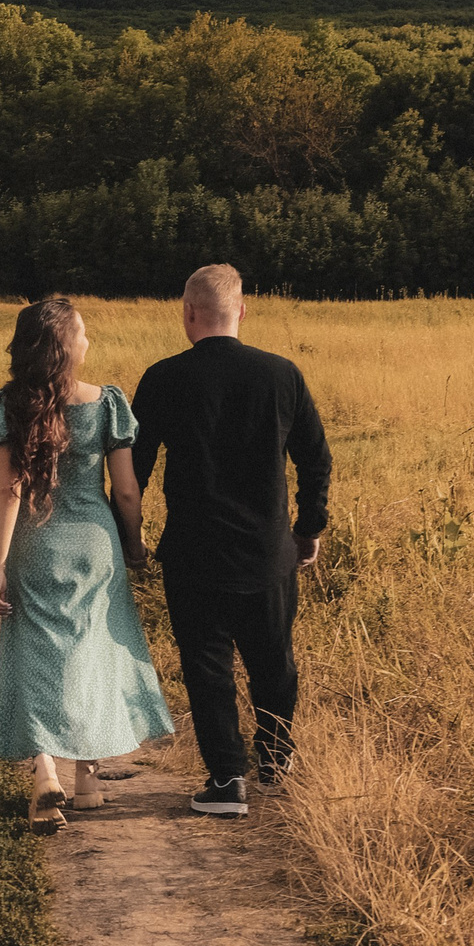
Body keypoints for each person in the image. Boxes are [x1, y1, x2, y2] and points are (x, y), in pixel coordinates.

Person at [130, 264, 331, 818]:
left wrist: (131, 537)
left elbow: (134, 470)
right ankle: (274, 759)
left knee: (206, 665)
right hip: (269, 552)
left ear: (188, 314)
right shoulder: (281, 374)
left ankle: (226, 781)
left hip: (192, 553)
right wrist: (308, 530)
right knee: (274, 660)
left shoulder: (162, 378)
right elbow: (316, 459)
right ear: (242, 311)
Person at [0, 297, 175, 830]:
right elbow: (128, 490)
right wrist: (132, 545)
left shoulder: (8, 405)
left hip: (34, 546)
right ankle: (88, 780)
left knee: (35, 650)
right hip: (95, 545)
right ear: (66, 346)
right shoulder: (107, 403)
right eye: (84, 333)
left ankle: (47, 770)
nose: (89, 341)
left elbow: (8, 490)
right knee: (92, 650)